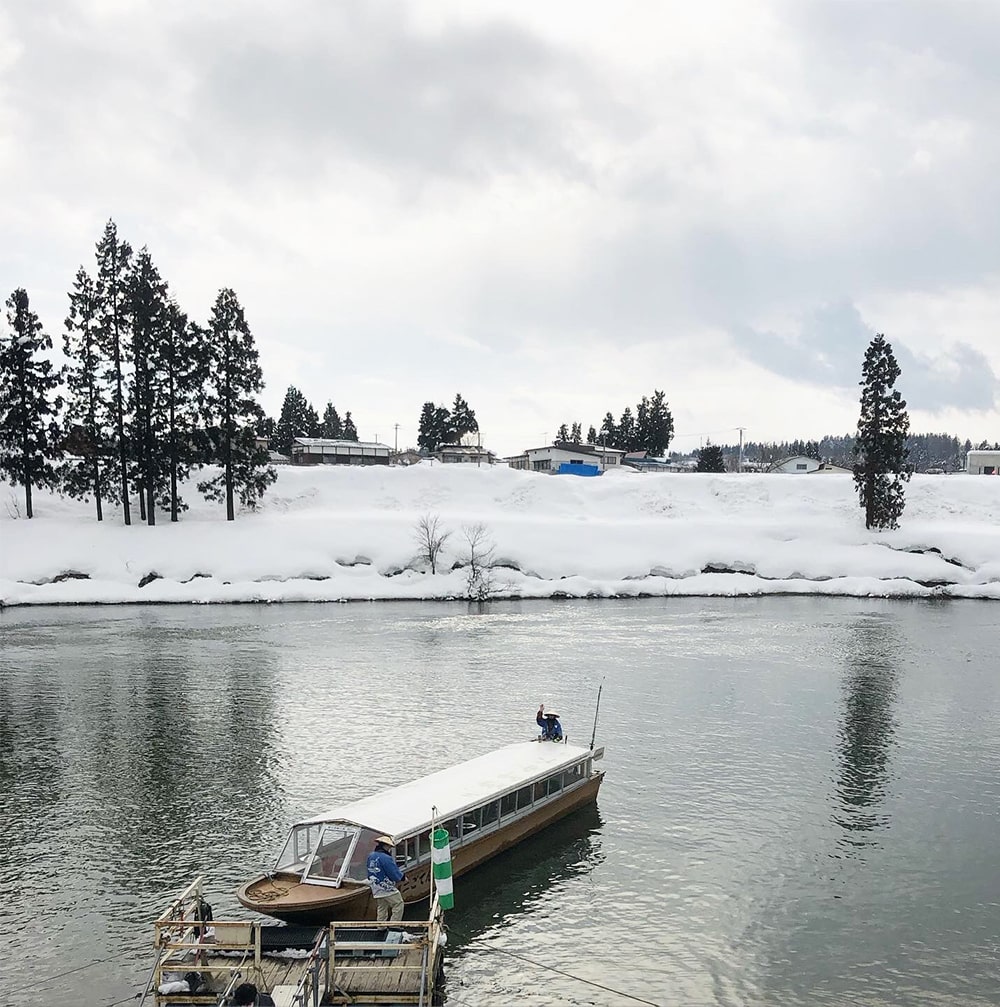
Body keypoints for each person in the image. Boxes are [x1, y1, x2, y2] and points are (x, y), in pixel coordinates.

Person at [366, 835, 405, 922]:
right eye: (389, 846)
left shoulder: (371, 855)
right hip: (386, 886)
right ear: (386, 846)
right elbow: (393, 872)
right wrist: (402, 878)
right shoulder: (386, 858)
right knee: (398, 904)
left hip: (375, 886)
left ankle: (381, 926)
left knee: (382, 906)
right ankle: (394, 925)